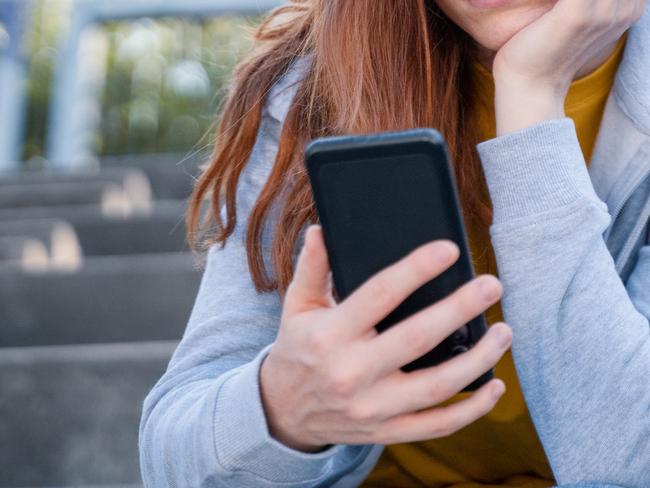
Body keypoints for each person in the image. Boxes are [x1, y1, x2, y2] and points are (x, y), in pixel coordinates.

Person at [139, 0, 650, 486]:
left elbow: (627, 456)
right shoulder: (310, 86)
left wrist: (531, 95)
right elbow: (175, 458)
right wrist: (281, 410)